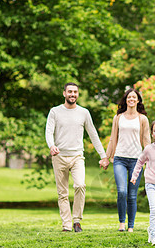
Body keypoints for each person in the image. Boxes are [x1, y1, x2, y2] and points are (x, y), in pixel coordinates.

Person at [45, 82, 109, 232]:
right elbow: (49, 131)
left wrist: (103, 156)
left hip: (77, 156)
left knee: (80, 185)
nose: (72, 94)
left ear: (77, 94)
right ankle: (66, 224)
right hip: (59, 156)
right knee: (62, 193)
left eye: (75, 92)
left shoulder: (84, 113)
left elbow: (93, 134)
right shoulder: (55, 112)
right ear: (64, 93)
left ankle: (77, 220)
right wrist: (51, 145)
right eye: (70, 92)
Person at [104, 88, 151, 232]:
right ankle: (121, 223)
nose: (131, 99)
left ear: (138, 101)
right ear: (126, 100)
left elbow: (146, 140)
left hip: (137, 161)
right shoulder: (118, 117)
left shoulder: (142, 119)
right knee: (122, 192)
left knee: (132, 195)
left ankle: (131, 226)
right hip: (119, 158)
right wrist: (107, 158)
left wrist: (150, 160)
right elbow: (113, 138)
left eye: (134, 97)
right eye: (129, 97)